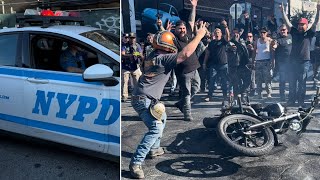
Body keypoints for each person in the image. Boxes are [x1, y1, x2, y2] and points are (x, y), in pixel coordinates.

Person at [129, 22, 208, 179]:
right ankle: (136, 163)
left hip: (143, 97)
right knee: (155, 128)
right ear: (169, 45)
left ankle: (155, 148)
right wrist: (199, 35)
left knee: (162, 117)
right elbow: (185, 54)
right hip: (144, 99)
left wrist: (163, 30)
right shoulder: (164, 58)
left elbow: (160, 41)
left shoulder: (153, 55)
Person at [280, 3, 320, 106]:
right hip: (293, 61)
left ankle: (301, 101)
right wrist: (282, 11)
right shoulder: (294, 31)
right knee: (292, 82)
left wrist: (318, 11)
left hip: (304, 62)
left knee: (302, 82)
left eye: (302, 24)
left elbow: (315, 23)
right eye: (299, 24)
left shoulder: (309, 33)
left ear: (306, 25)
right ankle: (291, 100)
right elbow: (287, 22)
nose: (300, 26)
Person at [173, 0, 202, 121]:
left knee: (197, 88)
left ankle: (180, 104)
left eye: (183, 28)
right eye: (180, 28)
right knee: (187, 93)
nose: (183, 30)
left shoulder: (189, 33)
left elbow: (191, 20)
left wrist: (193, 6)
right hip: (183, 72)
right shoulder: (173, 40)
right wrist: (160, 26)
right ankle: (187, 114)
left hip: (194, 68)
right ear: (175, 30)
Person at [203, 20, 230, 102]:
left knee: (224, 82)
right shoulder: (211, 43)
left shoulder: (223, 42)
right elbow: (207, 53)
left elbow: (228, 37)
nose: (217, 33)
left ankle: (225, 96)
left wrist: (226, 27)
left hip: (223, 65)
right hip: (213, 65)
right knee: (211, 81)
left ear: (221, 34)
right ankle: (209, 96)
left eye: (218, 32)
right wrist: (204, 63)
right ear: (214, 34)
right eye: (216, 32)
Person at [227, 28, 251, 101]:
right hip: (234, 66)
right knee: (236, 83)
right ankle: (236, 98)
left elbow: (244, 49)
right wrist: (235, 43)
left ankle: (242, 93)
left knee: (248, 81)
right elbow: (229, 48)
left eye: (237, 33)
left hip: (243, 65)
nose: (235, 35)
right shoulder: (230, 42)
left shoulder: (242, 41)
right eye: (234, 33)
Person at [272, 24, 292, 101]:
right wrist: (274, 46)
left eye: (284, 29)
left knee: (291, 80)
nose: (283, 31)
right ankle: (282, 96)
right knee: (282, 80)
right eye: (281, 30)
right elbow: (275, 44)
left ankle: (291, 96)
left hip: (291, 62)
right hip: (282, 63)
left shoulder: (291, 36)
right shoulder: (278, 39)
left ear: (287, 30)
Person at [121, 32, 143, 102]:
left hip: (135, 66)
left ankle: (137, 96)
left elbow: (140, 54)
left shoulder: (137, 46)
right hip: (126, 66)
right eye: (131, 38)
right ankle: (124, 96)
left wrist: (136, 54)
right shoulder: (124, 46)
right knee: (124, 82)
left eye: (133, 38)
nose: (132, 39)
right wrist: (130, 55)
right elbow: (122, 54)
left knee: (137, 82)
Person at [253, 27, 274, 99]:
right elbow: (254, 51)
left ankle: (269, 93)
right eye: (261, 32)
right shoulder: (257, 41)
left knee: (267, 78)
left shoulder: (269, 40)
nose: (262, 34)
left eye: (264, 32)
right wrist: (253, 61)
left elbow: (272, 51)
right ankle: (259, 93)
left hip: (266, 61)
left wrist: (273, 61)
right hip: (258, 61)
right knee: (258, 79)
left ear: (266, 33)